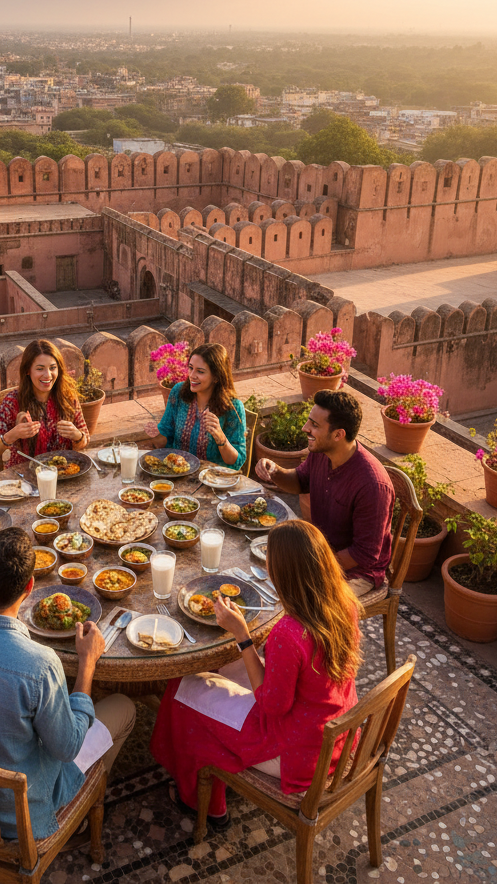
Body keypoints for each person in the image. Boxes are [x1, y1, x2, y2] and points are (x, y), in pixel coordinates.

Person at [0, 527, 137, 840]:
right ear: (30, 587)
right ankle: (81, 812)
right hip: (16, 819)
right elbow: (67, 747)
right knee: (125, 708)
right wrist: (87, 664)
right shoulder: (40, 664)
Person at [150, 521, 361, 824]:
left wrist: (243, 637)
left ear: (283, 574)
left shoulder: (289, 634)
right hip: (335, 732)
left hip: (297, 754)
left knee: (182, 690)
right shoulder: (344, 603)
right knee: (219, 669)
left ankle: (204, 805)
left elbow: (272, 706)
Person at [254, 389, 393, 596]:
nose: (305, 428)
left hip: (355, 573)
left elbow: (364, 554)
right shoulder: (322, 453)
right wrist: (275, 471)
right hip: (319, 553)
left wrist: (310, 566)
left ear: (338, 434)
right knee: (263, 573)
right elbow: (301, 481)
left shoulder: (372, 485)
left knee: (296, 599)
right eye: (309, 421)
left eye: (314, 425)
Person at [0, 339, 90, 469]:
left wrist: (77, 436)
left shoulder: (67, 397)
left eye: (52, 368)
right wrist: (12, 435)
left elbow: (84, 441)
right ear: (28, 370)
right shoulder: (13, 402)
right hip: (25, 478)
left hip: (64, 474)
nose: (47, 375)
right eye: (40, 369)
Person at [143, 342, 247, 469]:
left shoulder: (232, 407)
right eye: (191, 368)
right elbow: (165, 441)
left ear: (216, 377)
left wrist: (220, 437)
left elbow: (236, 461)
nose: (192, 375)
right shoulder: (178, 393)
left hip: (212, 480)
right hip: (177, 473)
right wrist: (155, 434)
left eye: (200, 371)